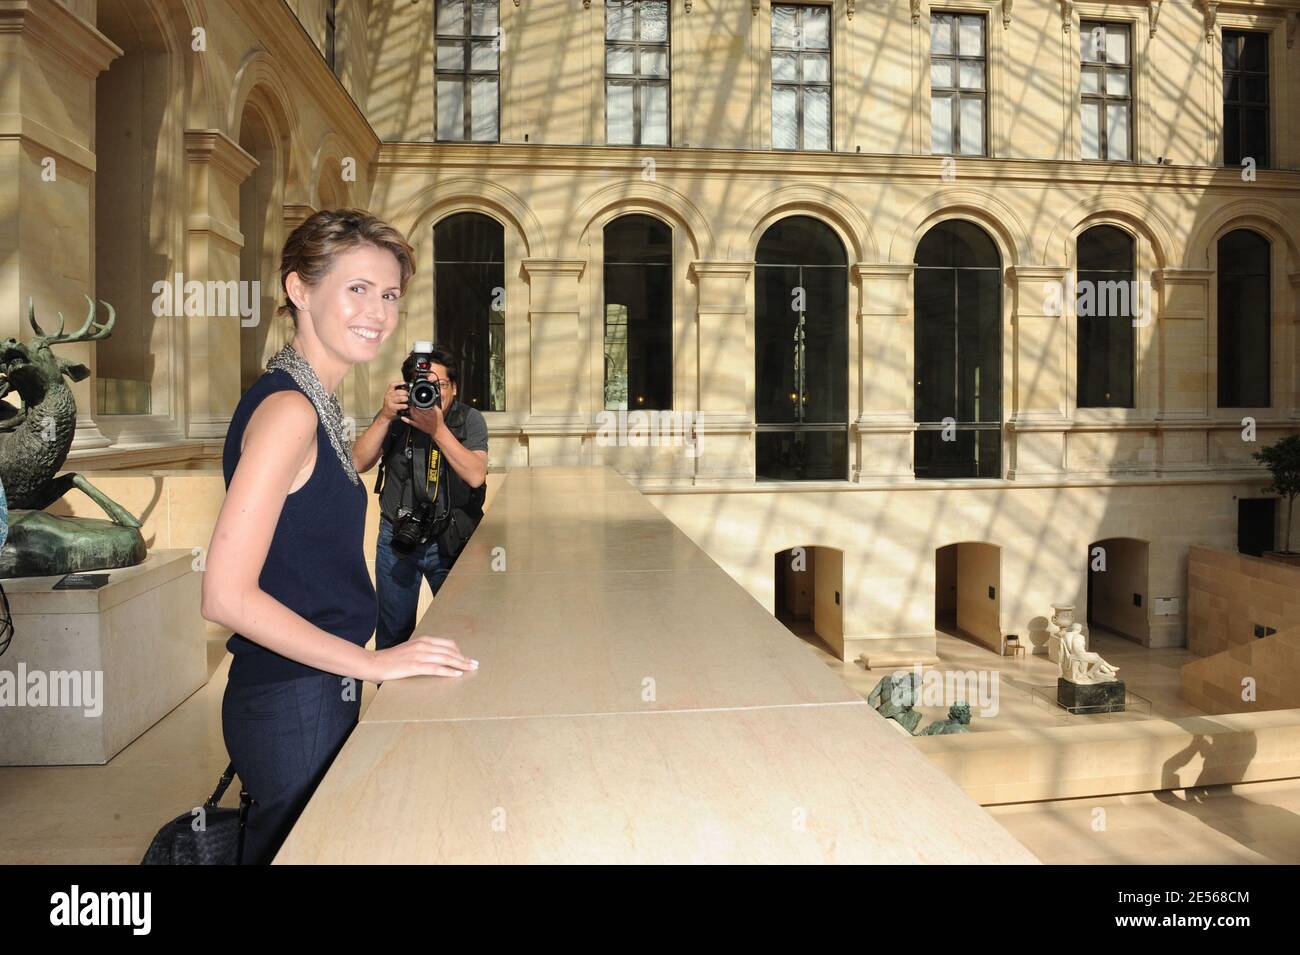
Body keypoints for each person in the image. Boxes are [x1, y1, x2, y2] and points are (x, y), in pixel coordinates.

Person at [202, 209, 479, 864]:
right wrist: (377, 661)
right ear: (300, 289)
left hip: (312, 685)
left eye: (388, 294)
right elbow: (224, 594)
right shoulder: (288, 411)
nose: (378, 312)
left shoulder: (313, 401)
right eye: (357, 288)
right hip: (295, 694)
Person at [353, 344, 488, 651]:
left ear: (453, 386)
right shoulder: (396, 417)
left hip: (449, 538)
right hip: (398, 538)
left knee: (460, 628)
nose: (431, 392)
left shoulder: (468, 420)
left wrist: (438, 429)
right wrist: (385, 416)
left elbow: (476, 474)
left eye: (438, 385)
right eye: (422, 385)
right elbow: (358, 462)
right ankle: (389, 698)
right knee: (393, 635)